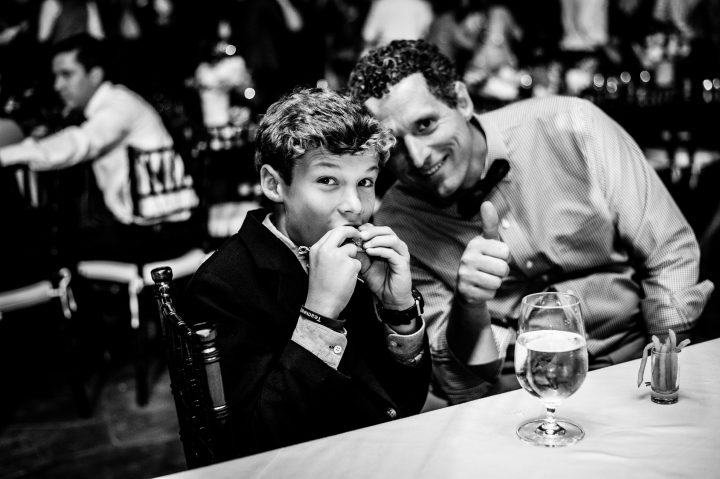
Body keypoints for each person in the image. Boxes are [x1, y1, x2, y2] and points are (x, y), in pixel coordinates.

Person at [347, 39, 714, 404]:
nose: (418, 156)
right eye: (393, 143)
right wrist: (469, 303)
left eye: (426, 125)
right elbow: (461, 382)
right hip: (511, 394)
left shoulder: (572, 125)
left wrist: (665, 361)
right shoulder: (398, 222)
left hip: (632, 361)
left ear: (461, 100)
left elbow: (667, 250)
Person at [185, 87, 431, 457]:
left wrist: (399, 311)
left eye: (365, 182)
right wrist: (319, 315)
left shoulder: (356, 256)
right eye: (328, 181)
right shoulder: (220, 287)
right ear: (273, 183)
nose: (354, 206)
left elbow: (403, 403)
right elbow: (253, 447)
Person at [0, 33, 199, 263]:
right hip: (146, 226)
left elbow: (81, 143)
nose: (58, 86)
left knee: (48, 253)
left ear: (94, 75)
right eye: (55, 76)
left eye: (67, 74)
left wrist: (6, 154)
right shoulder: (110, 104)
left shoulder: (119, 105)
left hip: (162, 229)